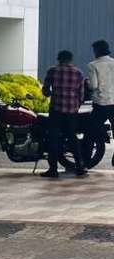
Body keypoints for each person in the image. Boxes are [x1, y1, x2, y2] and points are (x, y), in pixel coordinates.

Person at [41, 50, 86, 178]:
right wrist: (76, 106)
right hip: (71, 111)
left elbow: (45, 90)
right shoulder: (78, 73)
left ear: (58, 59)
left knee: (53, 138)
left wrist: (50, 93)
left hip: (56, 110)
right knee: (72, 138)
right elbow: (81, 94)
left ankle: (53, 169)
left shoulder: (52, 71)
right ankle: (80, 167)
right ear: (71, 59)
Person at [88, 39, 114, 162]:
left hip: (101, 103)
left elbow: (93, 85)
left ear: (97, 50)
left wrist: (87, 83)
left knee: (91, 131)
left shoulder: (93, 65)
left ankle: (85, 158)